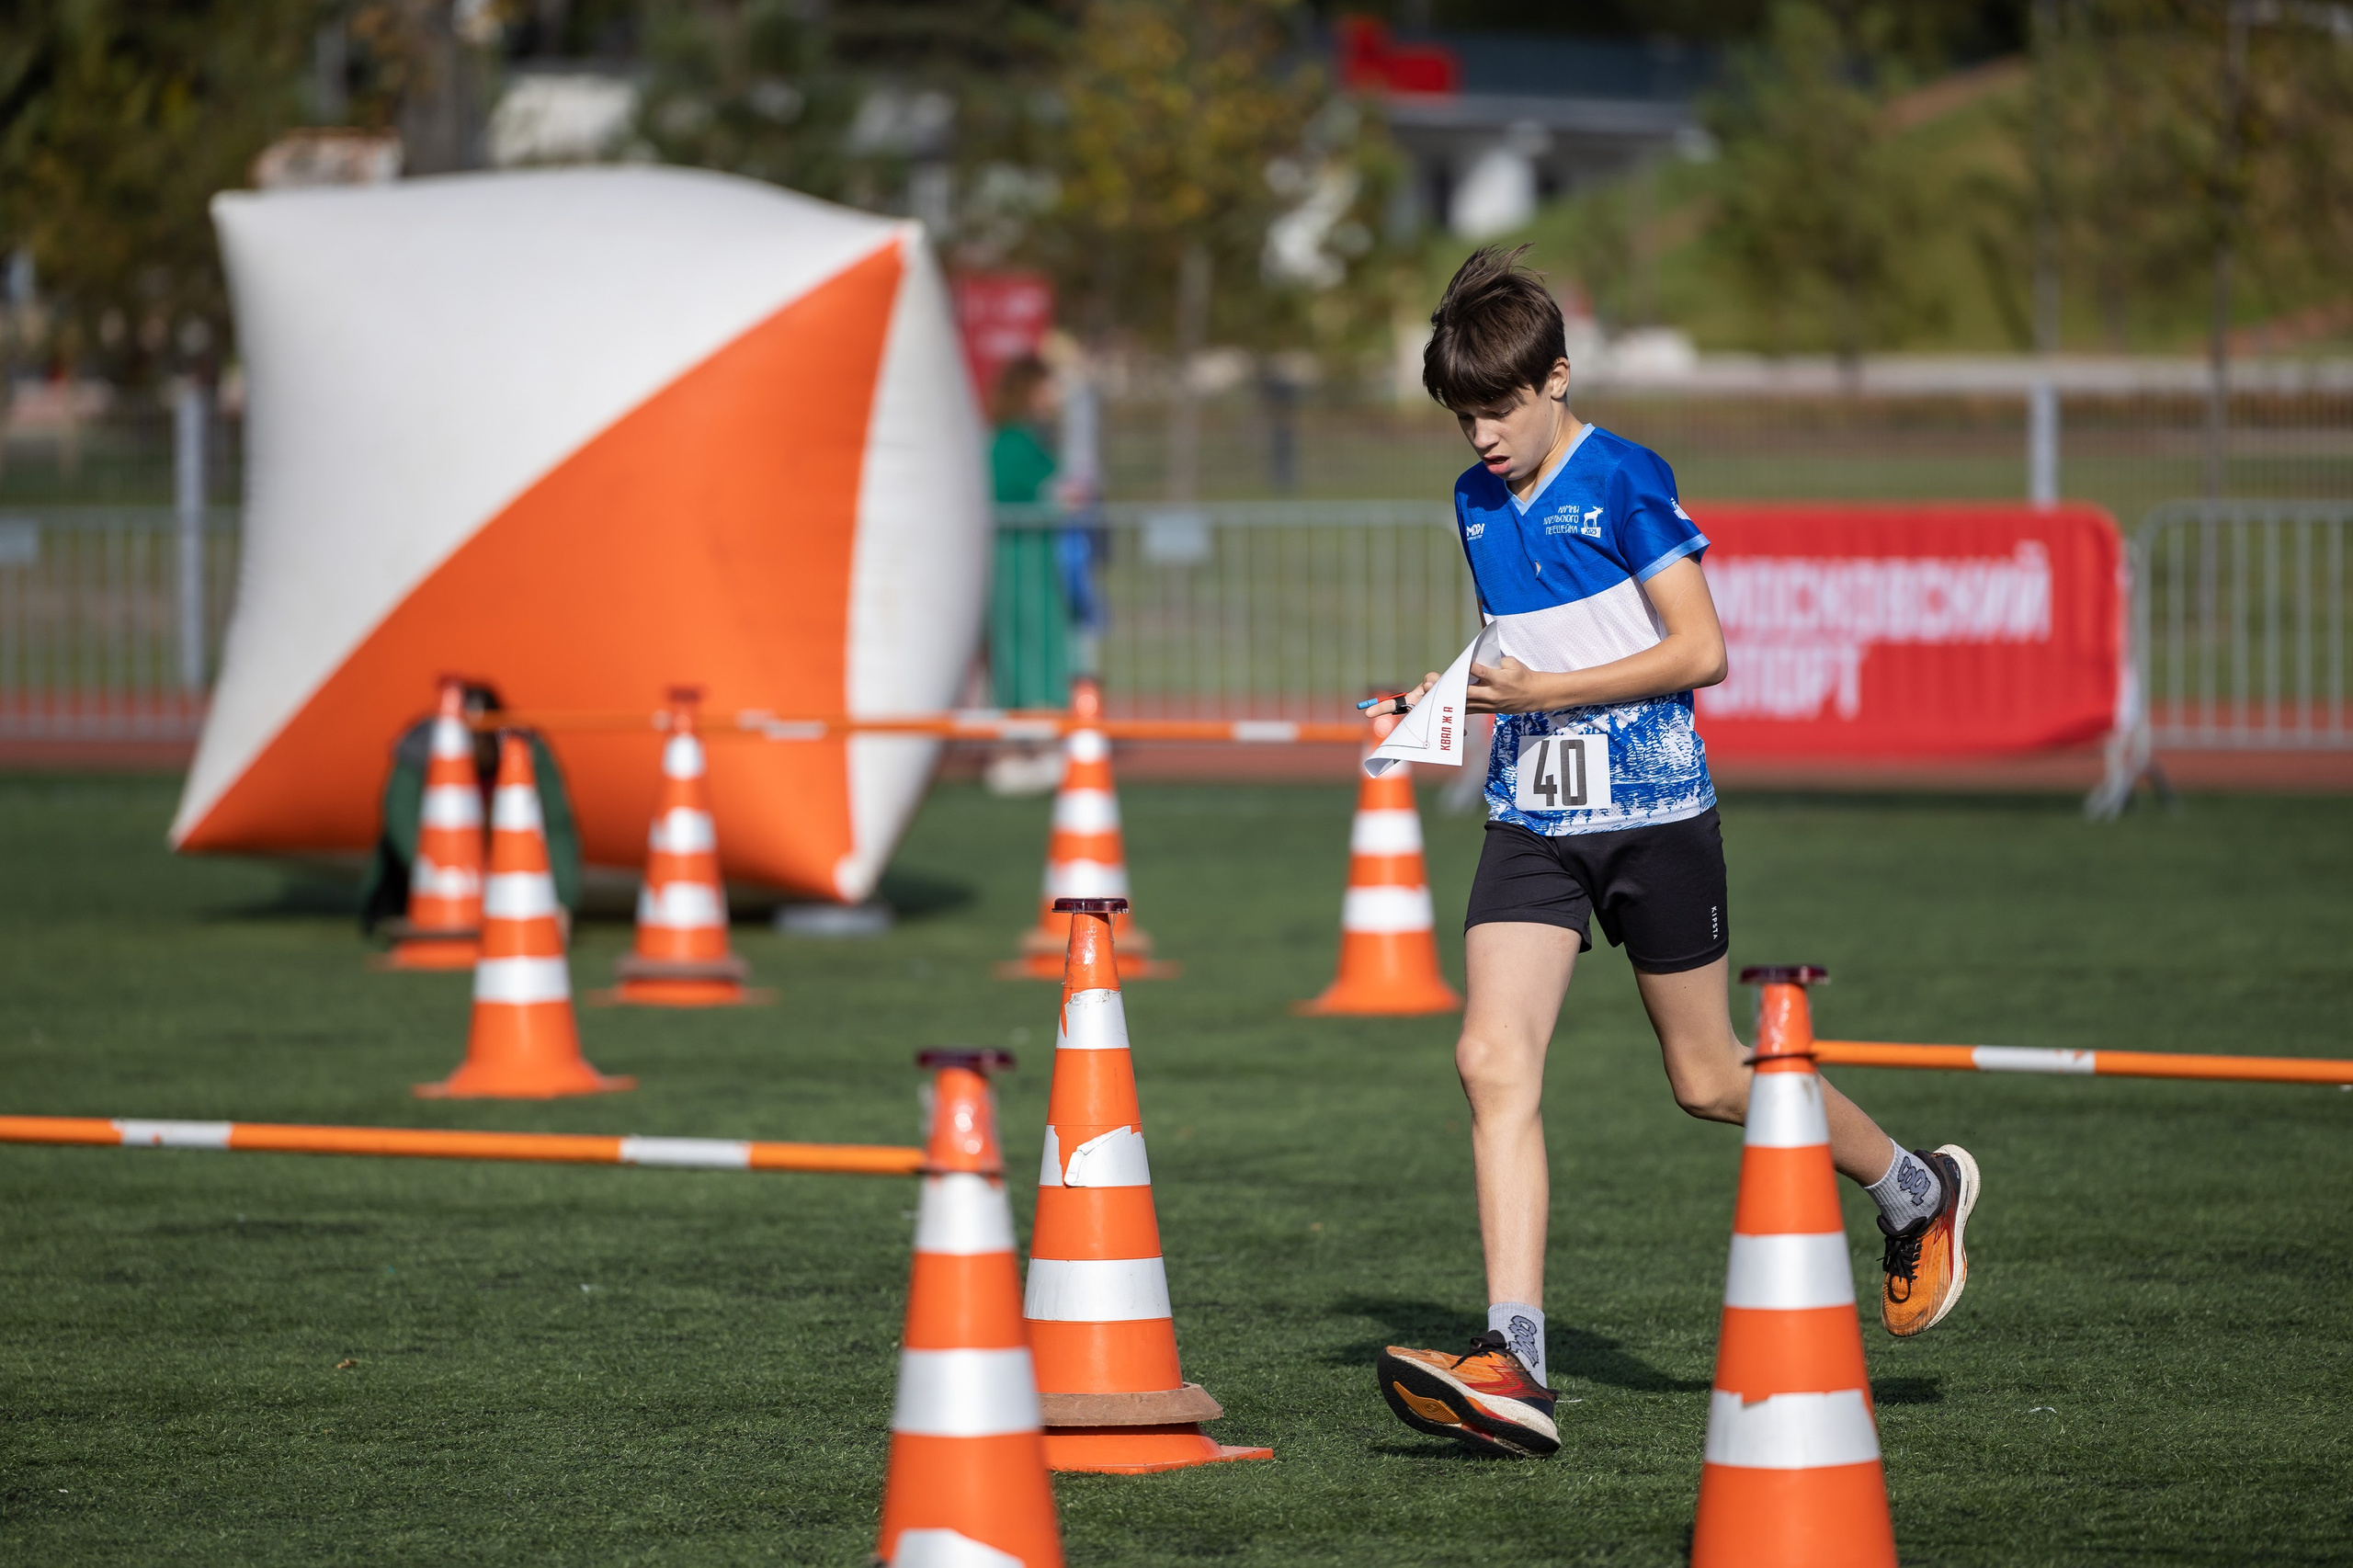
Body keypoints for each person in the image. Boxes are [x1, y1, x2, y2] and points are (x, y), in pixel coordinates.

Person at [1368, 247, 1980, 1460]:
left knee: (1708, 1079)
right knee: (1489, 1057)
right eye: (1466, 413)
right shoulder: (1472, 500)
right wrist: (1449, 700)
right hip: (1534, 822)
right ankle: (1517, 1356)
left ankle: (1915, 1188)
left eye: (1503, 406)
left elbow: (1700, 650)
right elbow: (1524, 646)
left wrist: (1549, 686)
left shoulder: (1629, 479)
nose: (1484, 435)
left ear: (1559, 376)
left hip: (1657, 815)